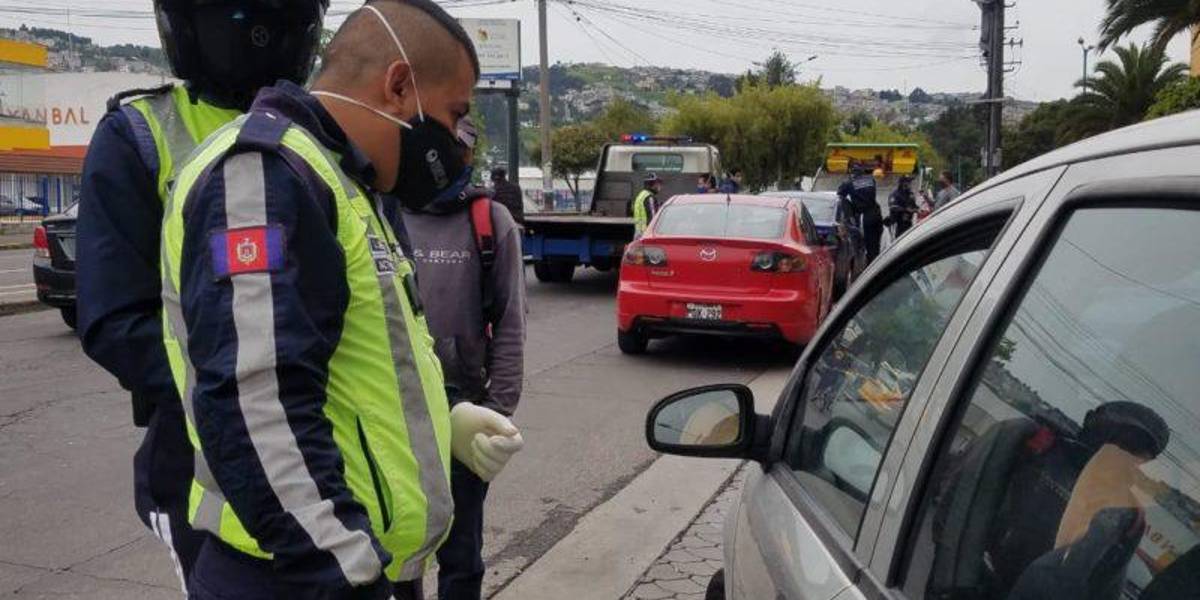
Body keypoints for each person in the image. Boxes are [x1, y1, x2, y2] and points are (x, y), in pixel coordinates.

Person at [160, 2, 524, 598]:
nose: (459, 141)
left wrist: (447, 413)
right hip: (300, 578)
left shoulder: (351, 185)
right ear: (400, 85)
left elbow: (369, 361)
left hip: (355, 566)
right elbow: (256, 409)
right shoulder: (264, 173)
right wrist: (345, 574)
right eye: (455, 112)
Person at [74, 0, 327, 590]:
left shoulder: (324, 130)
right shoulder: (140, 134)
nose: (254, 32)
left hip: (328, 449)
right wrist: (249, 391)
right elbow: (114, 322)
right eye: (237, 17)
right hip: (201, 464)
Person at [399, 110, 527, 600]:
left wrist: (497, 411)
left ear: (471, 154)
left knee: (461, 552)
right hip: (395, 408)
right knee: (397, 550)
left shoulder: (491, 221)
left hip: (463, 410)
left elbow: (512, 321)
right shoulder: (384, 211)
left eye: (462, 147)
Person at [838, 164, 884, 263]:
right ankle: (877, 263)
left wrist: (850, 210)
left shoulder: (849, 183)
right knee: (875, 243)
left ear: (852, 173)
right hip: (876, 213)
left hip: (865, 216)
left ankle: (869, 268)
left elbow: (840, 196)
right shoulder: (871, 180)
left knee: (865, 243)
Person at [632, 173, 663, 237]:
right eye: (657, 184)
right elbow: (653, 218)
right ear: (651, 184)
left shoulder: (641, 195)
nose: (659, 187)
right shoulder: (649, 197)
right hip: (647, 233)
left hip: (639, 233)